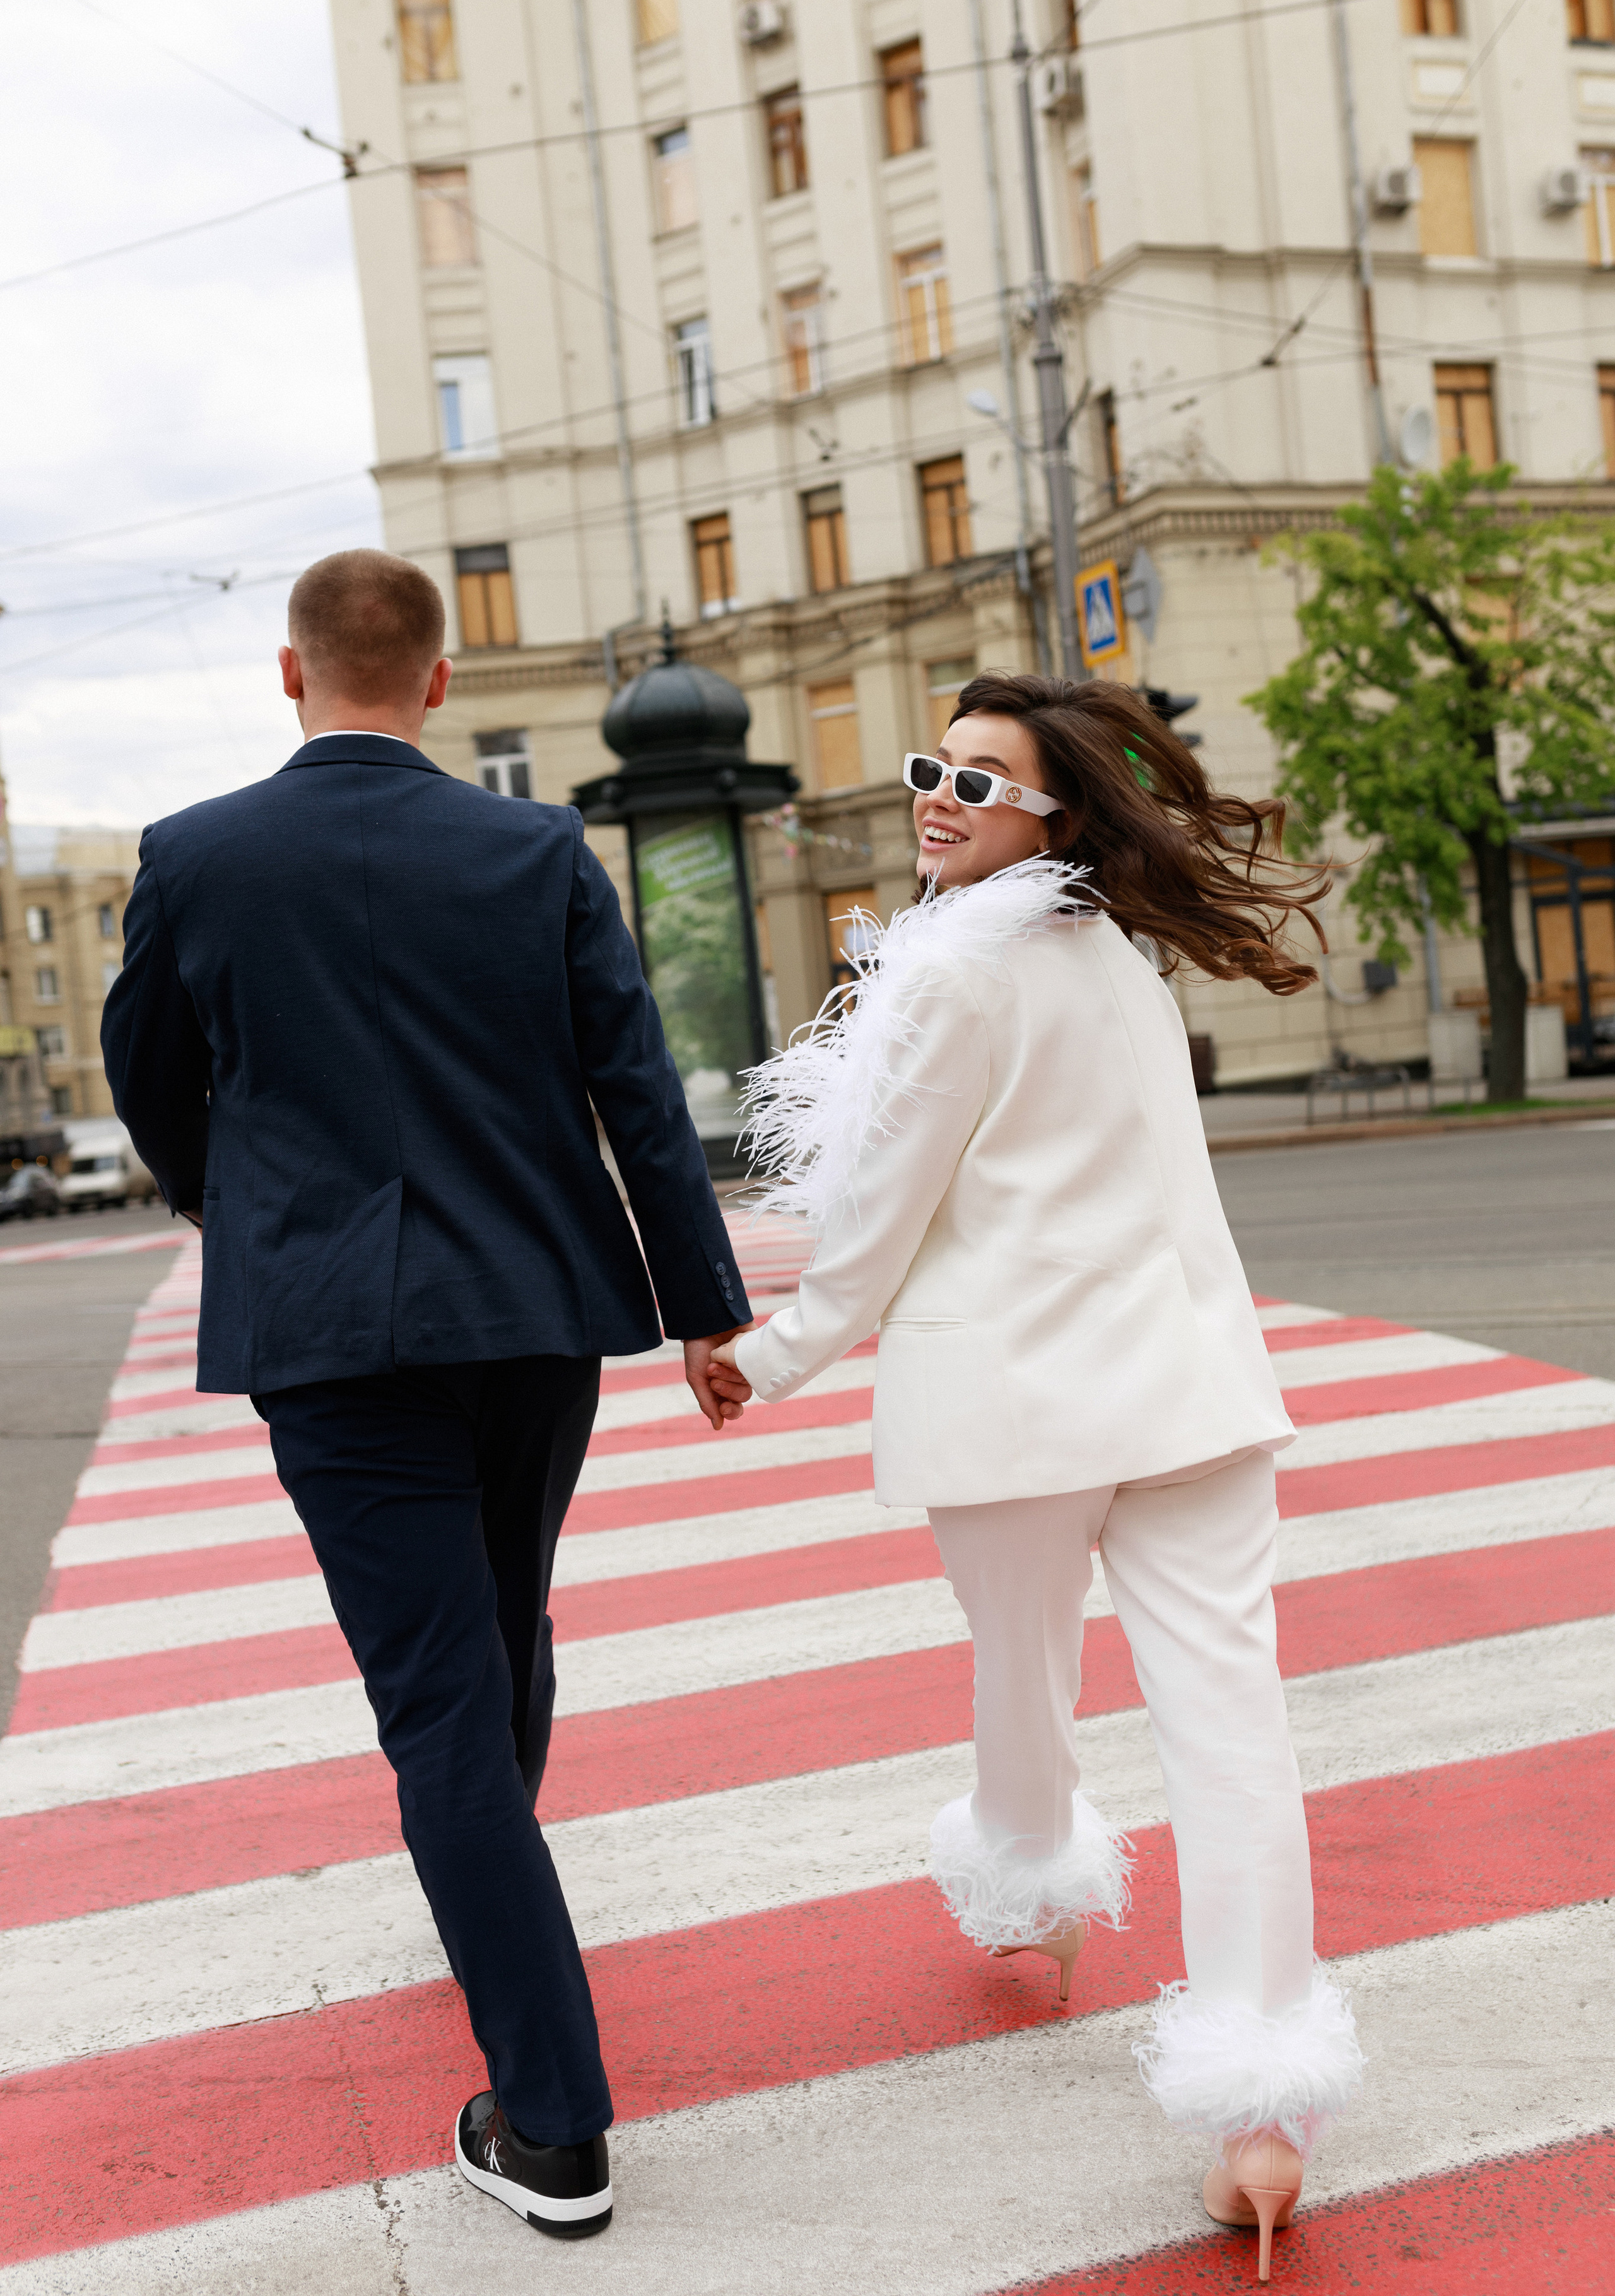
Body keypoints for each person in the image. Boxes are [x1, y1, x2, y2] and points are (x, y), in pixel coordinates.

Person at [102, 549, 751, 2243]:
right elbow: (638, 1090)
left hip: (330, 1333)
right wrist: (702, 1306)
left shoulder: (196, 857)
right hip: (533, 1312)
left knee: (439, 1709)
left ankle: (554, 2126)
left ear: (291, 671)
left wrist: (243, 1205)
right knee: (503, 1631)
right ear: (444, 681)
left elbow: (154, 1081)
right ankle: (492, 1877)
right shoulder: (536, 847)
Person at [712, 672, 1364, 2282]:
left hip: (1011, 1410)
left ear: (1057, 814)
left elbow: (874, 1226)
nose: (937, 795)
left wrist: (768, 1353)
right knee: (1232, 1735)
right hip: (1192, 1394)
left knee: (1024, 1686)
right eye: (933, 769)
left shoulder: (947, 981)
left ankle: (1033, 1898)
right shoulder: (1116, 966)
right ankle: (1260, 2118)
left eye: (981, 781)